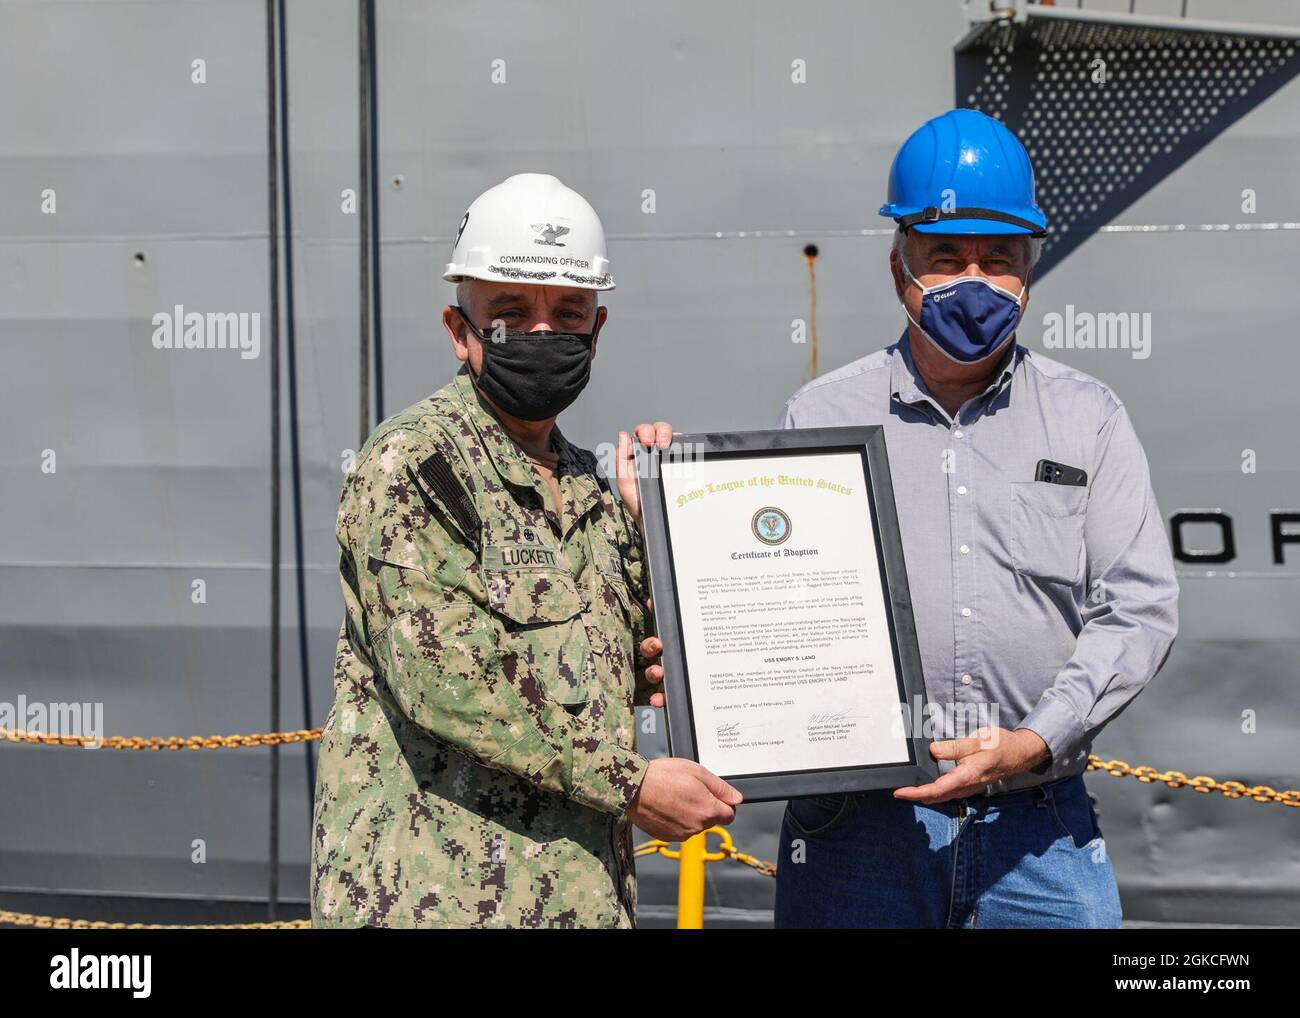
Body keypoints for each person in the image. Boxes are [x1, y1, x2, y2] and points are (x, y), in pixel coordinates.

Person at [773, 110, 1179, 928]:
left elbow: (1137, 605)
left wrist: (1035, 739)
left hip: (1037, 831)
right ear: (900, 271)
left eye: (998, 260)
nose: (974, 280)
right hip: (861, 830)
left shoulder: (1088, 418)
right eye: (946, 257)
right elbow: (775, 602)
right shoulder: (820, 414)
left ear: (1028, 274)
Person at [311, 173, 741, 928]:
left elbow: (627, 668)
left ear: (596, 330)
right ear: (459, 328)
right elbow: (443, 681)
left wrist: (660, 530)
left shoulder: (588, 486)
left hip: (576, 904)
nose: (543, 334)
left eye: (567, 312)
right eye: (511, 312)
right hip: (433, 901)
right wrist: (632, 785)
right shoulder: (413, 464)